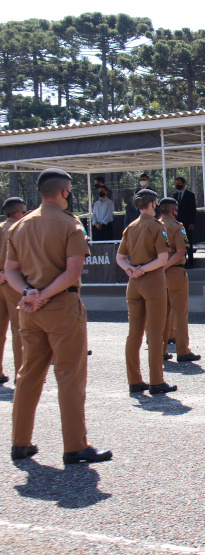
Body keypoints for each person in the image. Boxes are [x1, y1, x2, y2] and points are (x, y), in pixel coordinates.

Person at [5, 168, 112, 463]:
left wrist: (29, 293)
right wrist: (45, 294)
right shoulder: (70, 224)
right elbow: (72, 272)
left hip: (30, 310)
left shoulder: (19, 226)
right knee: (69, 376)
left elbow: (11, 271)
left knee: (28, 375)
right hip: (62, 306)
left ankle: (20, 442)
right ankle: (74, 445)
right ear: (65, 192)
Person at [116, 188, 178, 396]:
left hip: (133, 284)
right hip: (152, 282)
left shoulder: (130, 227)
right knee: (155, 333)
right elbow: (162, 259)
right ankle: (156, 380)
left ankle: (134, 380)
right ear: (153, 204)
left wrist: (131, 269)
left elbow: (120, 258)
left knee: (134, 334)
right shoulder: (157, 227)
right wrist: (143, 269)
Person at [158, 197, 200, 364]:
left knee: (162, 313)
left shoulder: (155, 225)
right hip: (174, 271)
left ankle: (161, 350)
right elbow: (180, 252)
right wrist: (166, 266)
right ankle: (182, 350)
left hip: (157, 274)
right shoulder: (177, 226)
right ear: (173, 210)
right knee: (180, 313)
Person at [0, 196, 27, 385]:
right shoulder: (21, 228)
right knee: (20, 330)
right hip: (15, 282)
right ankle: (21, 374)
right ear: (18, 212)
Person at [173, 176, 197, 268]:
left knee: (188, 242)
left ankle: (190, 262)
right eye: (176, 184)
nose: (177, 185)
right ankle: (182, 261)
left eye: (179, 183)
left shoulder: (190, 195)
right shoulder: (175, 196)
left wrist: (192, 222)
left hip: (187, 223)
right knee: (179, 242)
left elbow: (193, 210)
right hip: (177, 223)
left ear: (183, 184)